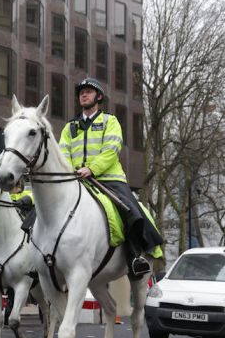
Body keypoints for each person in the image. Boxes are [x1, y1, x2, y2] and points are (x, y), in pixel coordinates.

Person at [59, 77, 163, 278]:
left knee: (130, 210)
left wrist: (91, 169)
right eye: (81, 92)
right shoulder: (69, 127)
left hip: (108, 179)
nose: (83, 94)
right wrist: (73, 171)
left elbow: (111, 149)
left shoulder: (110, 121)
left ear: (98, 97)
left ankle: (135, 257)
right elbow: (63, 153)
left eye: (88, 91)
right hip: (76, 179)